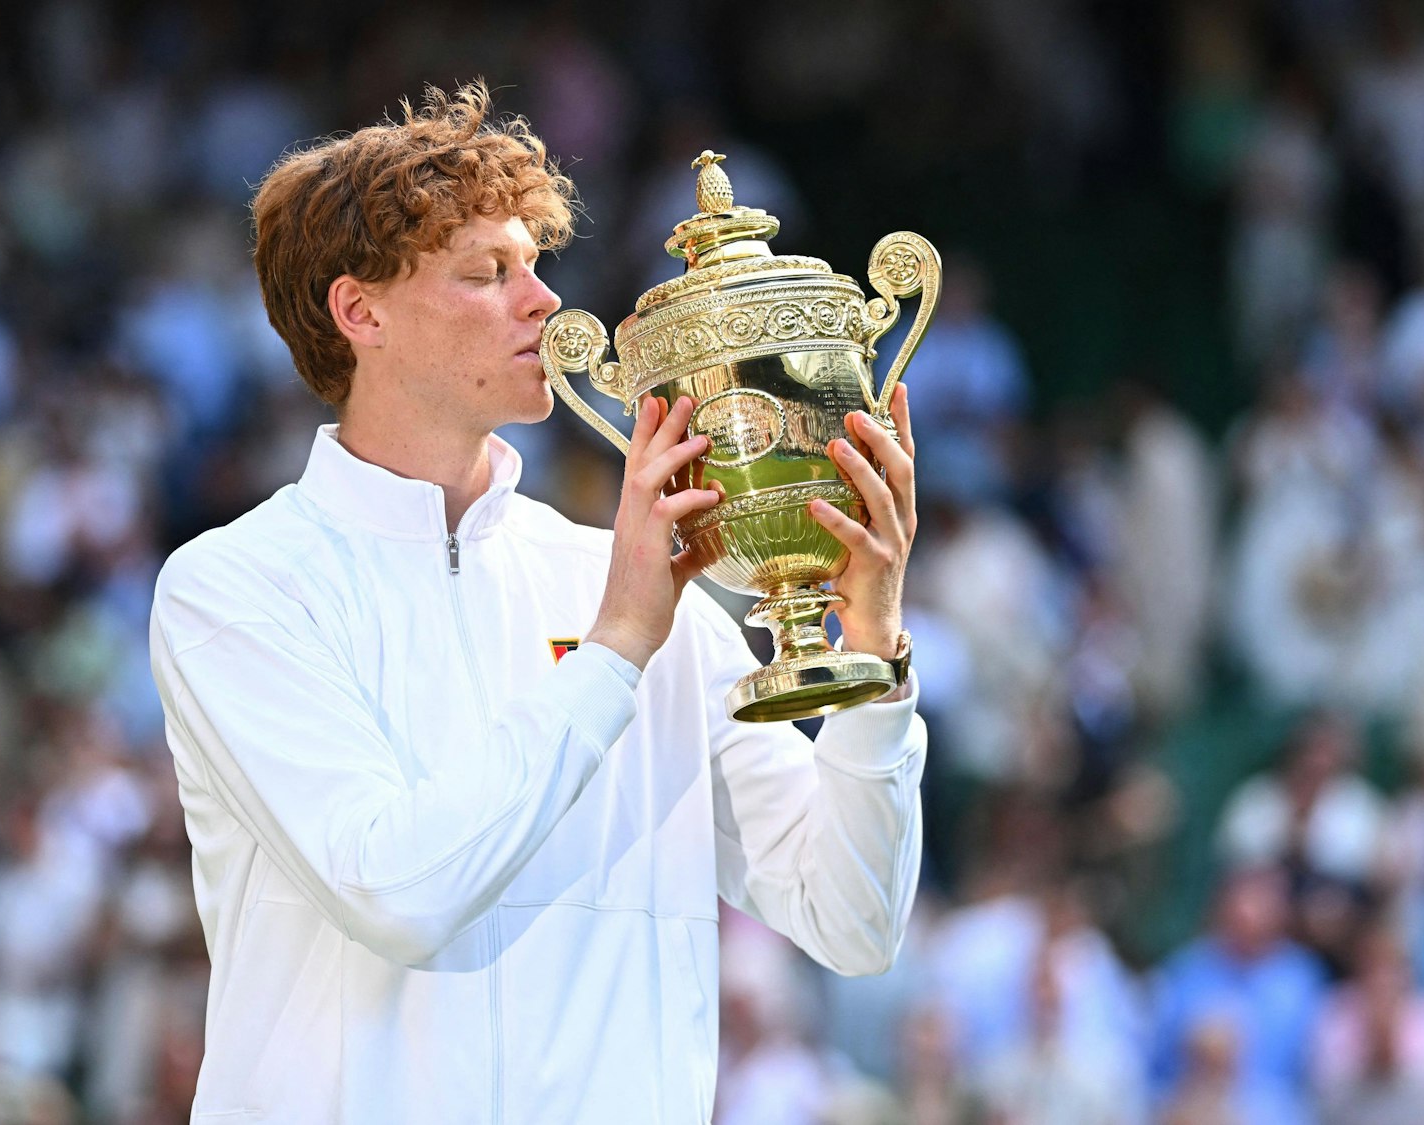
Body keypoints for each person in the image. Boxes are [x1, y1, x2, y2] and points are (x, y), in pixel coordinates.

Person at [149, 82, 928, 1122]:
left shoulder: (632, 596)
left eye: (535, 267)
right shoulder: (233, 589)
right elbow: (400, 892)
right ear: (359, 311)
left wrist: (871, 653)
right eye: (487, 274)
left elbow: (853, 920)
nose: (543, 304)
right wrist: (609, 654)